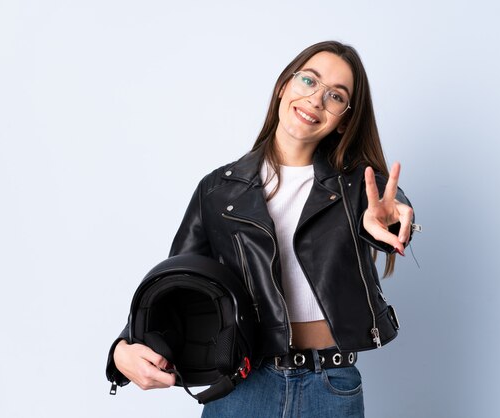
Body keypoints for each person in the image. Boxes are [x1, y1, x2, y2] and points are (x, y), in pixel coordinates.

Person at [106, 40, 415, 418]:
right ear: (285, 85)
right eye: (308, 81)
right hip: (242, 385)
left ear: (344, 119)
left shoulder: (357, 187)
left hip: (331, 387)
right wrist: (124, 345)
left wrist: (391, 220)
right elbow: (175, 285)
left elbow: (388, 210)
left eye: (336, 95)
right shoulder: (218, 190)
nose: (317, 99)